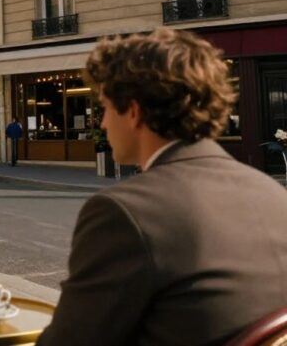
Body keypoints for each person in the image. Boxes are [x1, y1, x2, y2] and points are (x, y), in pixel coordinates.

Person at [37, 28, 287, 346]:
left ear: (133, 111)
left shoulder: (124, 212)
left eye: (105, 107)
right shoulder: (273, 193)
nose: (102, 123)